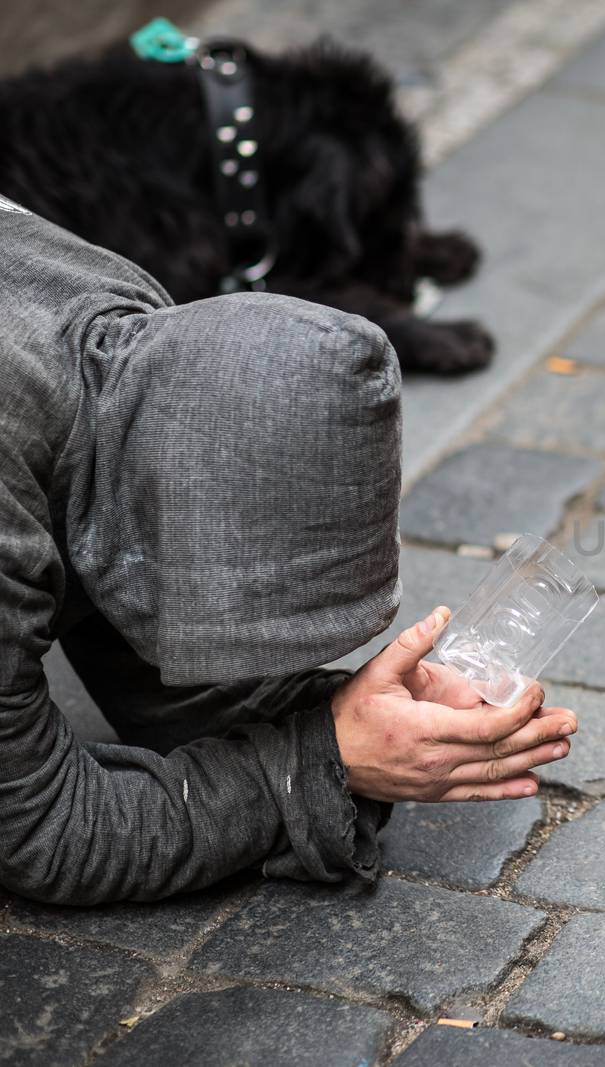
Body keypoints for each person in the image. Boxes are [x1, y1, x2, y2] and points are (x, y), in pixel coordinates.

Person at [0, 197, 576, 905]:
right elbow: (45, 828)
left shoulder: (133, 332)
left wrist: (359, 714)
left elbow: (145, 636)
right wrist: (326, 758)